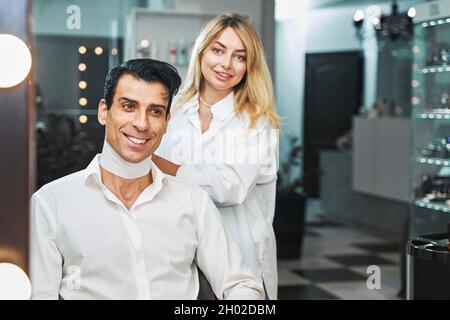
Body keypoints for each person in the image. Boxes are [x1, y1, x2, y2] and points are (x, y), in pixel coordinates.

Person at [30, 59, 264, 300]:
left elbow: (241, 285)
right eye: (129, 106)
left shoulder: (194, 202)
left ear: (166, 123)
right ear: (103, 111)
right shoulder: (51, 204)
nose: (142, 124)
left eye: (155, 111)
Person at [154, 13, 280, 299]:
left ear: (249, 66)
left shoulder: (257, 121)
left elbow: (230, 188)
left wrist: (167, 167)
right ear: (201, 52)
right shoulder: (172, 108)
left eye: (239, 56)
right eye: (218, 50)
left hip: (238, 257)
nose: (225, 64)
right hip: (177, 255)